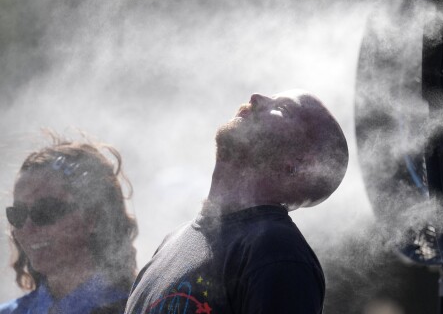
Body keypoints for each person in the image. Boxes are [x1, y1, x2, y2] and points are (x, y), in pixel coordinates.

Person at [125, 89, 349, 314]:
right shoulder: (170, 243)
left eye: (282, 108)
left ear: (296, 164)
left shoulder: (278, 252)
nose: (256, 97)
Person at [0, 134, 138, 314]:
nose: (27, 228)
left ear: (92, 217)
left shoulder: (138, 308)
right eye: (17, 214)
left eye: (45, 211)